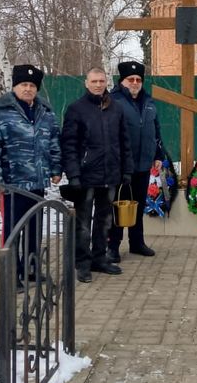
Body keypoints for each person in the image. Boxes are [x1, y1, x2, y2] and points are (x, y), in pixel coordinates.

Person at [0, 64, 62, 287]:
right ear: (15, 86)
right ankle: (12, 274)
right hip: (13, 183)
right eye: (24, 85)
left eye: (32, 85)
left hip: (38, 182)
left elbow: (53, 142)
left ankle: (31, 269)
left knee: (34, 229)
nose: (28, 89)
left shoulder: (45, 112)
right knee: (13, 231)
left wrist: (56, 169)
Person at [61, 67, 134, 283]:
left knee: (105, 221)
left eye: (102, 81)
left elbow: (124, 142)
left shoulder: (116, 109)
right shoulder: (76, 109)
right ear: (86, 83)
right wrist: (73, 174)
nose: (98, 85)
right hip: (86, 176)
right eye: (94, 81)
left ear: (106, 82)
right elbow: (69, 144)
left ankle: (99, 258)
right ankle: (82, 263)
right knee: (83, 223)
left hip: (110, 174)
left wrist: (127, 169)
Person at [107, 61, 165, 262]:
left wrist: (159, 155)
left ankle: (136, 242)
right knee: (118, 205)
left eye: (138, 79)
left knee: (138, 205)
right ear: (122, 81)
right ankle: (112, 246)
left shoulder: (149, 102)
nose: (134, 82)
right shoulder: (113, 101)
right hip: (121, 165)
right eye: (130, 79)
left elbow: (155, 130)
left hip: (143, 163)